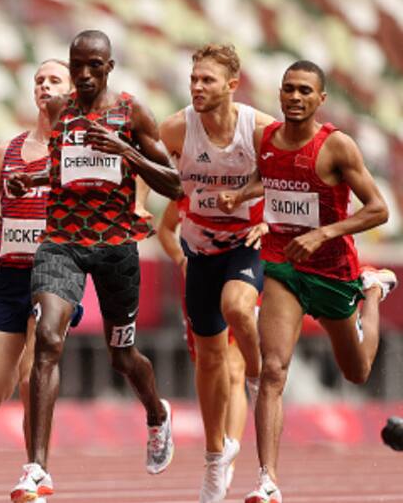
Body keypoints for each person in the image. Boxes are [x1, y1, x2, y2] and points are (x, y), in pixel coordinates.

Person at [6, 30, 183, 503]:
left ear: (110, 67)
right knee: (46, 340)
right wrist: (31, 180)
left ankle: (156, 412)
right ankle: (37, 469)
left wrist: (125, 150)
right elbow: (66, 167)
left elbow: (174, 184)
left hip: (116, 250)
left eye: (93, 66)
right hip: (61, 243)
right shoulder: (59, 113)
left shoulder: (131, 112)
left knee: (121, 357)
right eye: (76, 65)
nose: (83, 75)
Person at [217, 60, 396, 503]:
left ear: (320, 99)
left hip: (333, 270)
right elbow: (271, 176)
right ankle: (267, 481)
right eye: (288, 89)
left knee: (356, 372)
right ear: (279, 94)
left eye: (304, 91)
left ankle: (372, 290)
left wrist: (323, 233)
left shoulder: (336, 147)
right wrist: (241, 195)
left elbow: (378, 209)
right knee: (273, 370)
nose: (295, 97)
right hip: (282, 265)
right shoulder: (267, 139)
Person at [155, 44, 272, 503]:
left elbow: (289, 180)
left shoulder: (259, 129)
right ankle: (214, 457)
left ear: (232, 84)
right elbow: (149, 173)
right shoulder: (175, 128)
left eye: (207, 79)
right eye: (194, 78)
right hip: (198, 249)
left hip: (247, 243)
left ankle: (262, 375)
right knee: (209, 360)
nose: (197, 86)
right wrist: (134, 205)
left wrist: (260, 208)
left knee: (236, 307)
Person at [0, 59, 82, 462]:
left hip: (53, 275)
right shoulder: (10, 150)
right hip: (8, 276)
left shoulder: (80, 153)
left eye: (55, 80)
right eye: (39, 80)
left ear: (72, 90)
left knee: (31, 373)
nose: (45, 86)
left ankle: (36, 470)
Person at [156, 200, 253, 501]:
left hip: (238, 277)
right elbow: (165, 230)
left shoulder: (239, 188)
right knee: (211, 366)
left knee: (236, 370)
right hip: (200, 281)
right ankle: (216, 445)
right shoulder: (188, 190)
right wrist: (181, 261)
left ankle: (228, 459)